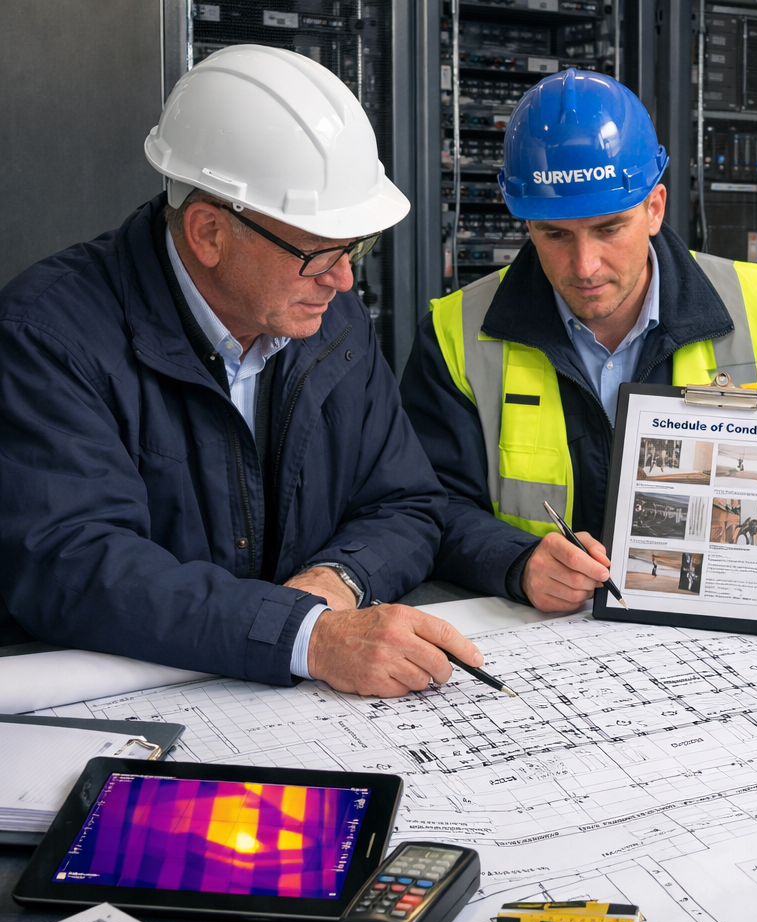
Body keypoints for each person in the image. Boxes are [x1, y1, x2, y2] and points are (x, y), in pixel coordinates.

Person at [0, 45, 485, 698]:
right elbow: (75, 563)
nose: (344, 280)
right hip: (121, 702)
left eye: (356, 249)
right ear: (207, 232)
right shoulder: (48, 336)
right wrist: (304, 635)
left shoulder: (330, 323)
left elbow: (405, 502)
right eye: (319, 253)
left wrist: (335, 580)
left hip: (283, 698)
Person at [400, 70, 757, 612]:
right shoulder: (457, 332)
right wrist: (517, 561)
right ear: (525, 222)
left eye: (609, 228)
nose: (585, 265)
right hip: (538, 632)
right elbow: (426, 504)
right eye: (555, 234)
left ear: (655, 207)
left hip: (724, 629)